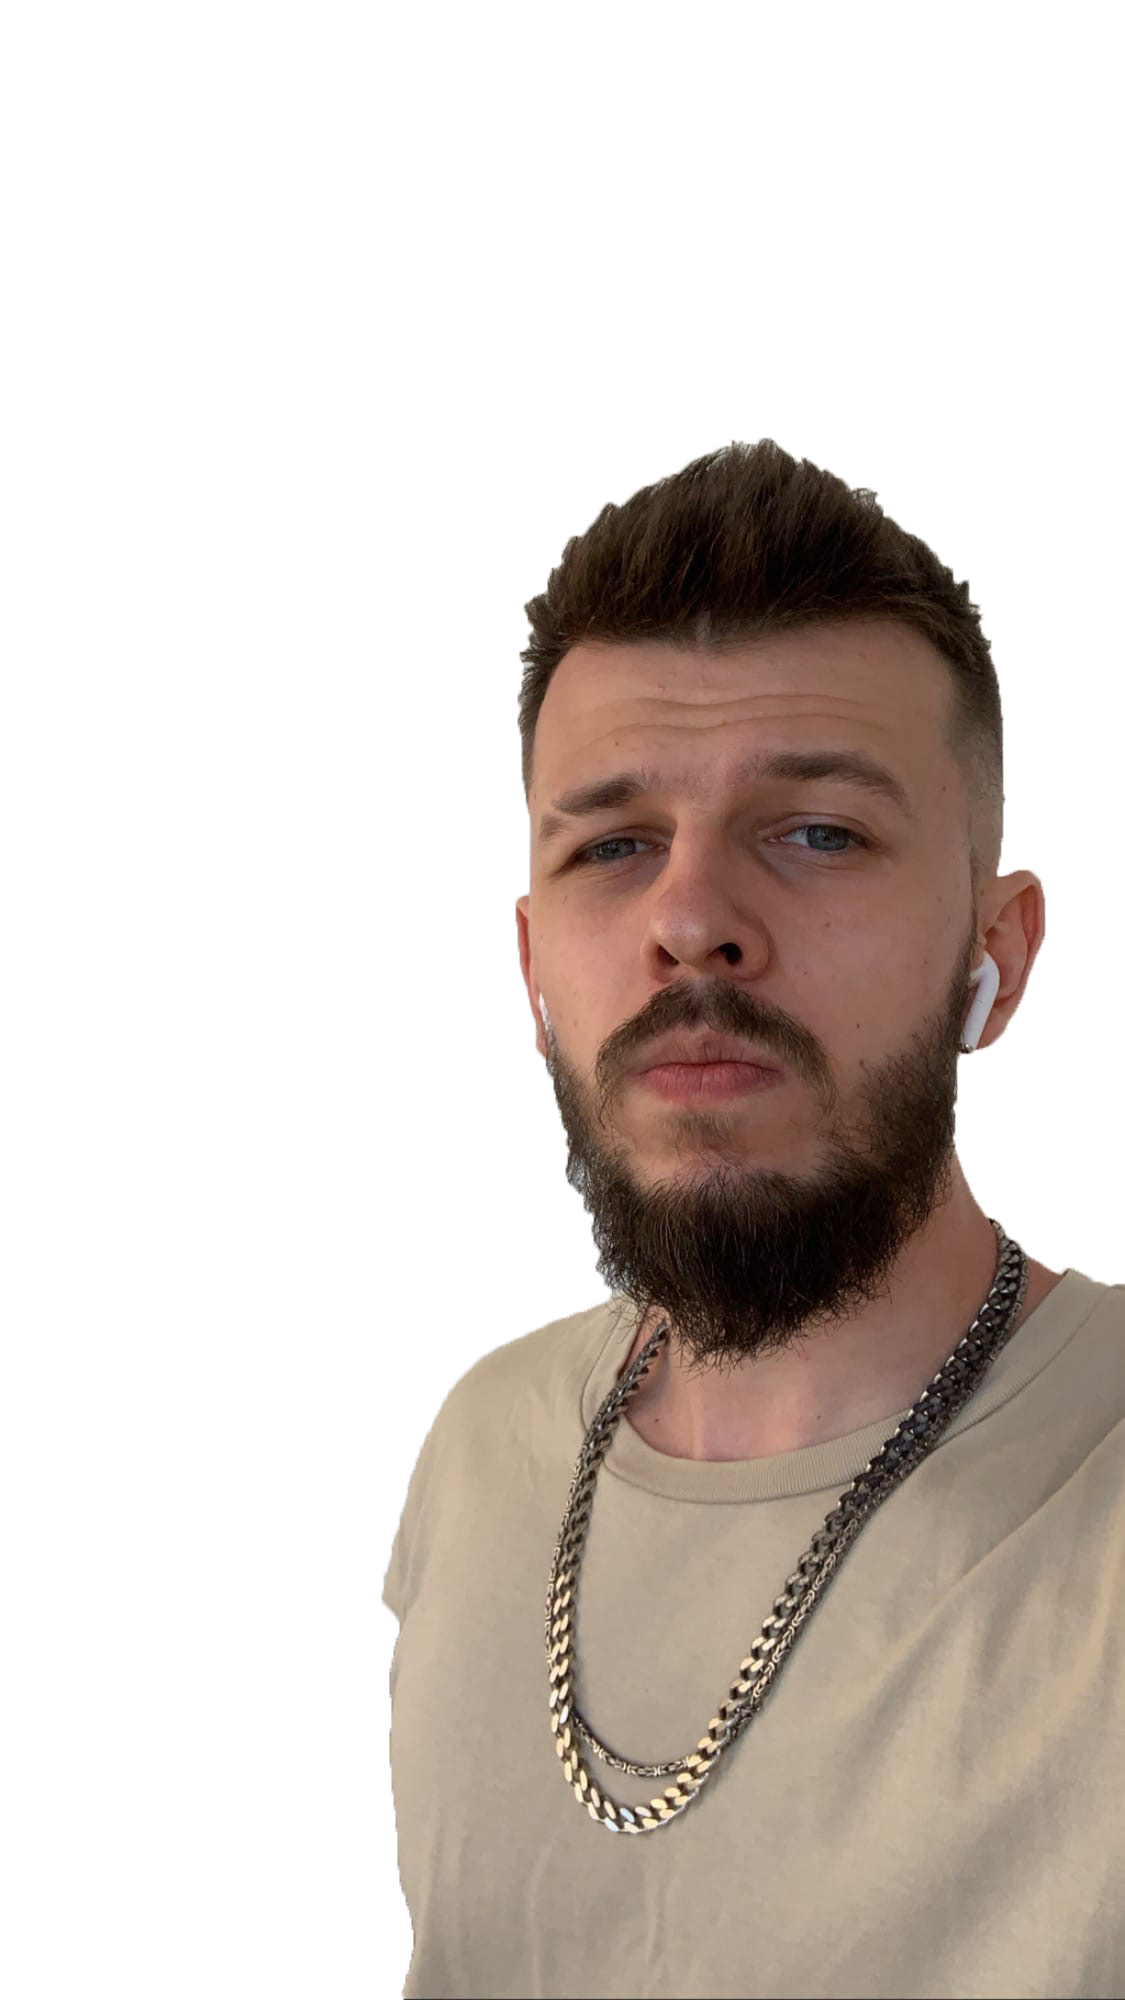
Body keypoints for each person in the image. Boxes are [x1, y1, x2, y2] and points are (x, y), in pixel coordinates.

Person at [382, 439, 1125, 2000]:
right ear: (533, 969)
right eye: (612, 845)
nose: (691, 918)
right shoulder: (484, 1441)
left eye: (820, 831)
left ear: (996, 954)